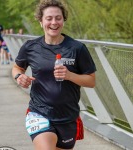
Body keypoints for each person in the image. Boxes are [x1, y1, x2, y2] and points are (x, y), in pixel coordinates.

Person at [12, 0, 96, 149]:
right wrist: (19, 77)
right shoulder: (30, 47)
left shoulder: (77, 48)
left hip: (68, 117)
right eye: (49, 18)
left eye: (58, 18)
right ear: (40, 21)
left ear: (63, 20)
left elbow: (91, 81)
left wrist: (70, 75)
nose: (54, 22)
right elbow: (17, 67)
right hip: (39, 113)